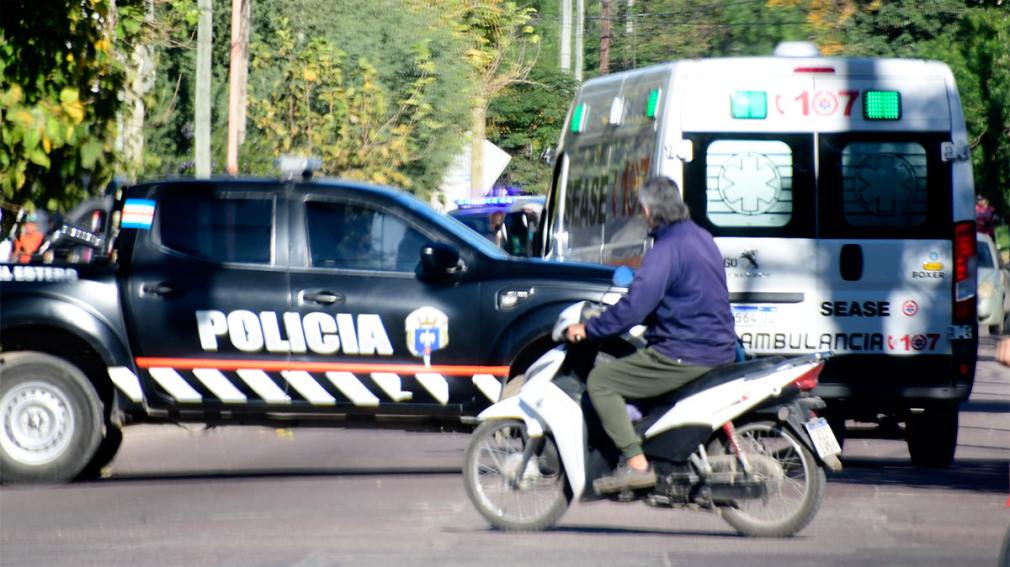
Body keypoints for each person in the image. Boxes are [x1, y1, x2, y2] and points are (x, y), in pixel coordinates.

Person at [565, 176, 737, 493]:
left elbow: (635, 306)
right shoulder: (701, 237)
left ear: (647, 210)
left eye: (641, 209)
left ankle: (637, 465)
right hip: (717, 346)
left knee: (601, 381)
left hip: (684, 353)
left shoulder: (666, 249)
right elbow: (687, 294)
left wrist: (590, 329)